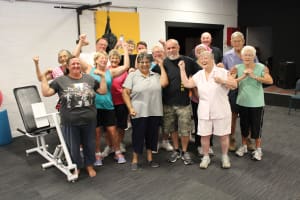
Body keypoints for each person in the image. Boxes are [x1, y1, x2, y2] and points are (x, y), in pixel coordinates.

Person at [40, 56, 107, 178]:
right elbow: (46, 92)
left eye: (78, 63)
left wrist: (102, 77)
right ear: (68, 67)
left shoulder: (90, 79)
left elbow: (102, 91)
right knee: (73, 146)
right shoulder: (60, 81)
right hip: (70, 121)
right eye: (73, 64)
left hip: (89, 120)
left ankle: (89, 165)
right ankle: (76, 166)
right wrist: (44, 78)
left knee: (89, 144)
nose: (76, 66)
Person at [179, 50, 237, 168]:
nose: (204, 60)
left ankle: (225, 157)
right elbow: (187, 84)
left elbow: (234, 85)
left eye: (206, 58)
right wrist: (182, 69)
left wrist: (222, 81)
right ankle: (206, 156)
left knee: (224, 135)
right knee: (204, 135)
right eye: (201, 58)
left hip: (221, 109)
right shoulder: (199, 74)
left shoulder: (222, 72)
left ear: (212, 59)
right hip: (204, 110)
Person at [79, 40, 129, 165]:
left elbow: (126, 66)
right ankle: (97, 154)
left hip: (108, 105)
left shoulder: (109, 72)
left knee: (112, 131)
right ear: (96, 60)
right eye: (101, 58)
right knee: (96, 132)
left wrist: (125, 49)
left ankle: (117, 152)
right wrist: (80, 43)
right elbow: (74, 57)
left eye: (105, 59)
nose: (103, 60)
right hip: (94, 106)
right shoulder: (89, 69)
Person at [153, 39, 199, 165]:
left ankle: (184, 151)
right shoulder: (164, 62)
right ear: (165, 50)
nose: (171, 50)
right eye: (168, 48)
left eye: (173, 47)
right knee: (172, 129)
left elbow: (200, 73)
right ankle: (176, 149)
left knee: (185, 129)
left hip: (184, 103)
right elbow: (150, 74)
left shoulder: (188, 61)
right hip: (167, 103)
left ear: (178, 47)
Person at [122, 52, 169, 170]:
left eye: (147, 62)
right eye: (141, 62)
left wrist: (161, 65)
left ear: (151, 63)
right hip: (138, 111)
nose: (144, 64)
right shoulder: (132, 75)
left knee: (152, 136)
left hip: (154, 111)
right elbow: (125, 93)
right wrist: (130, 108)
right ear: (137, 63)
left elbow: (164, 83)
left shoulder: (156, 75)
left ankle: (150, 158)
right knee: (138, 136)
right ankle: (135, 159)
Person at [232, 45, 273, 161]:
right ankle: (244, 146)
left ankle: (258, 149)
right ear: (241, 56)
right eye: (245, 55)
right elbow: (231, 83)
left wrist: (254, 76)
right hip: (242, 101)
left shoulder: (261, 67)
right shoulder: (237, 67)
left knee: (256, 128)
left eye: (250, 55)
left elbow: (270, 80)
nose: (248, 57)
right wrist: (244, 76)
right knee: (244, 126)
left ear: (254, 56)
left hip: (257, 103)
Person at [222, 31, 258, 151]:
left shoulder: (250, 53)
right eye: (234, 41)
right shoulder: (227, 55)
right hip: (233, 90)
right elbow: (226, 74)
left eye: (239, 41)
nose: (236, 43)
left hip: (248, 89)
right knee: (232, 116)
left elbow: (257, 69)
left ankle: (247, 139)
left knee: (246, 116)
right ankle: (232, 139)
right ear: (231, 42)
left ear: (243, 41)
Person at [191, 44, 214, 156]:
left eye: (203, 51)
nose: (201, 53)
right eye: (198, 51)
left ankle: (209, 145)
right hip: (197, 100)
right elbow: (192, 83)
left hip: (211, 101)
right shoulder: (193, 65)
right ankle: (199, 145)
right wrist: (199, 96)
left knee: (211, 122)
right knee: (199, 123)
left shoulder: (212, 65)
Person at [150, 44, 174, 152]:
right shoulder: (148, 65)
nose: (158, 53)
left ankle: (165, 141)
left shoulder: (169, 64)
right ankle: (155, 142)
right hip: (153, 98)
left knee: (167, 121)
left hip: (167, 96)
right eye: (156, 52)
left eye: (160, 51)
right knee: (155, 122)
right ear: (153, 55)